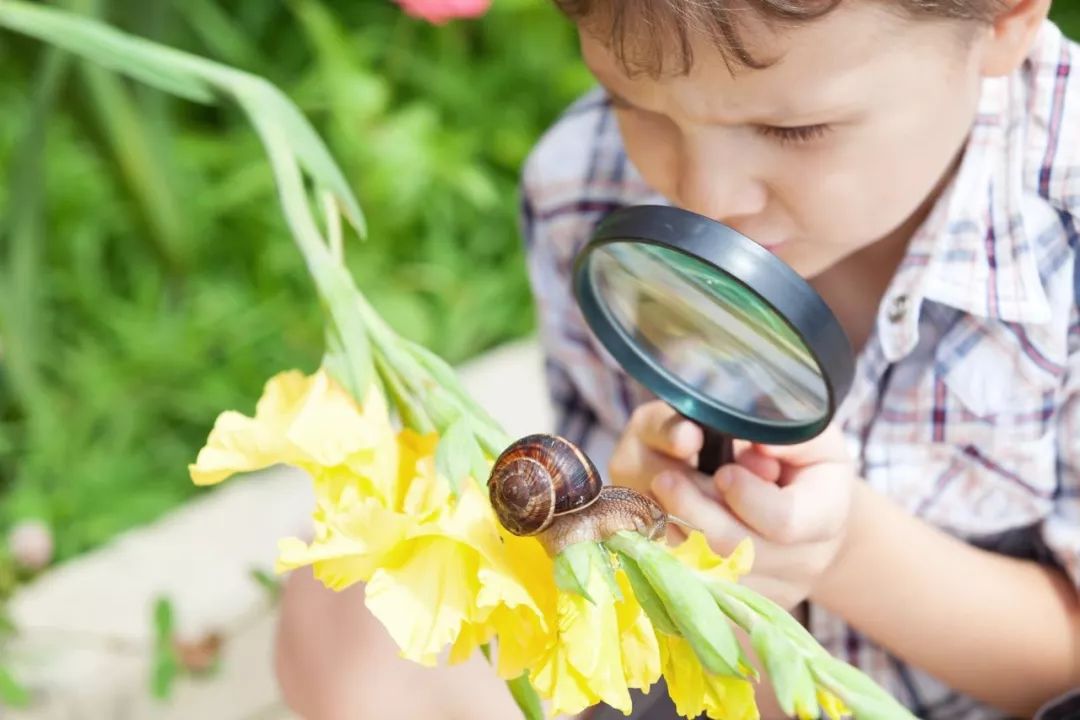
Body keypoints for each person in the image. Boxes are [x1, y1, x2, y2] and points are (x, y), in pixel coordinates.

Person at [274, 1, 1080, 717]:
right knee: (344, 617)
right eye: (635, 104)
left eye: (793, 129)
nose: (706, 194)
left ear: (1005, 17)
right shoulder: (583, 183)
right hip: (723, 670)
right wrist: (633, 505)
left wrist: (844, 552)